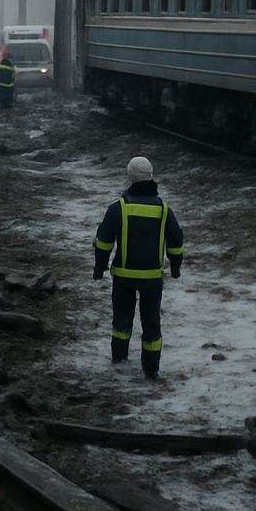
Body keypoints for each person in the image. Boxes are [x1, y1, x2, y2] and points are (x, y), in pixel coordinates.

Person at [93, 156, 185, 379]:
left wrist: (99, 266)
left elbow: (103, 240)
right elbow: (175, 241)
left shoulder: (119, 207)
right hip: (152, 279)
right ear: (151, 176)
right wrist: (175, 266)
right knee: (151, 321)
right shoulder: (164, 209)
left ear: (129, 177)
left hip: (123, 277)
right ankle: (151, 368)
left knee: (122, 319)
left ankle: (119, 359)